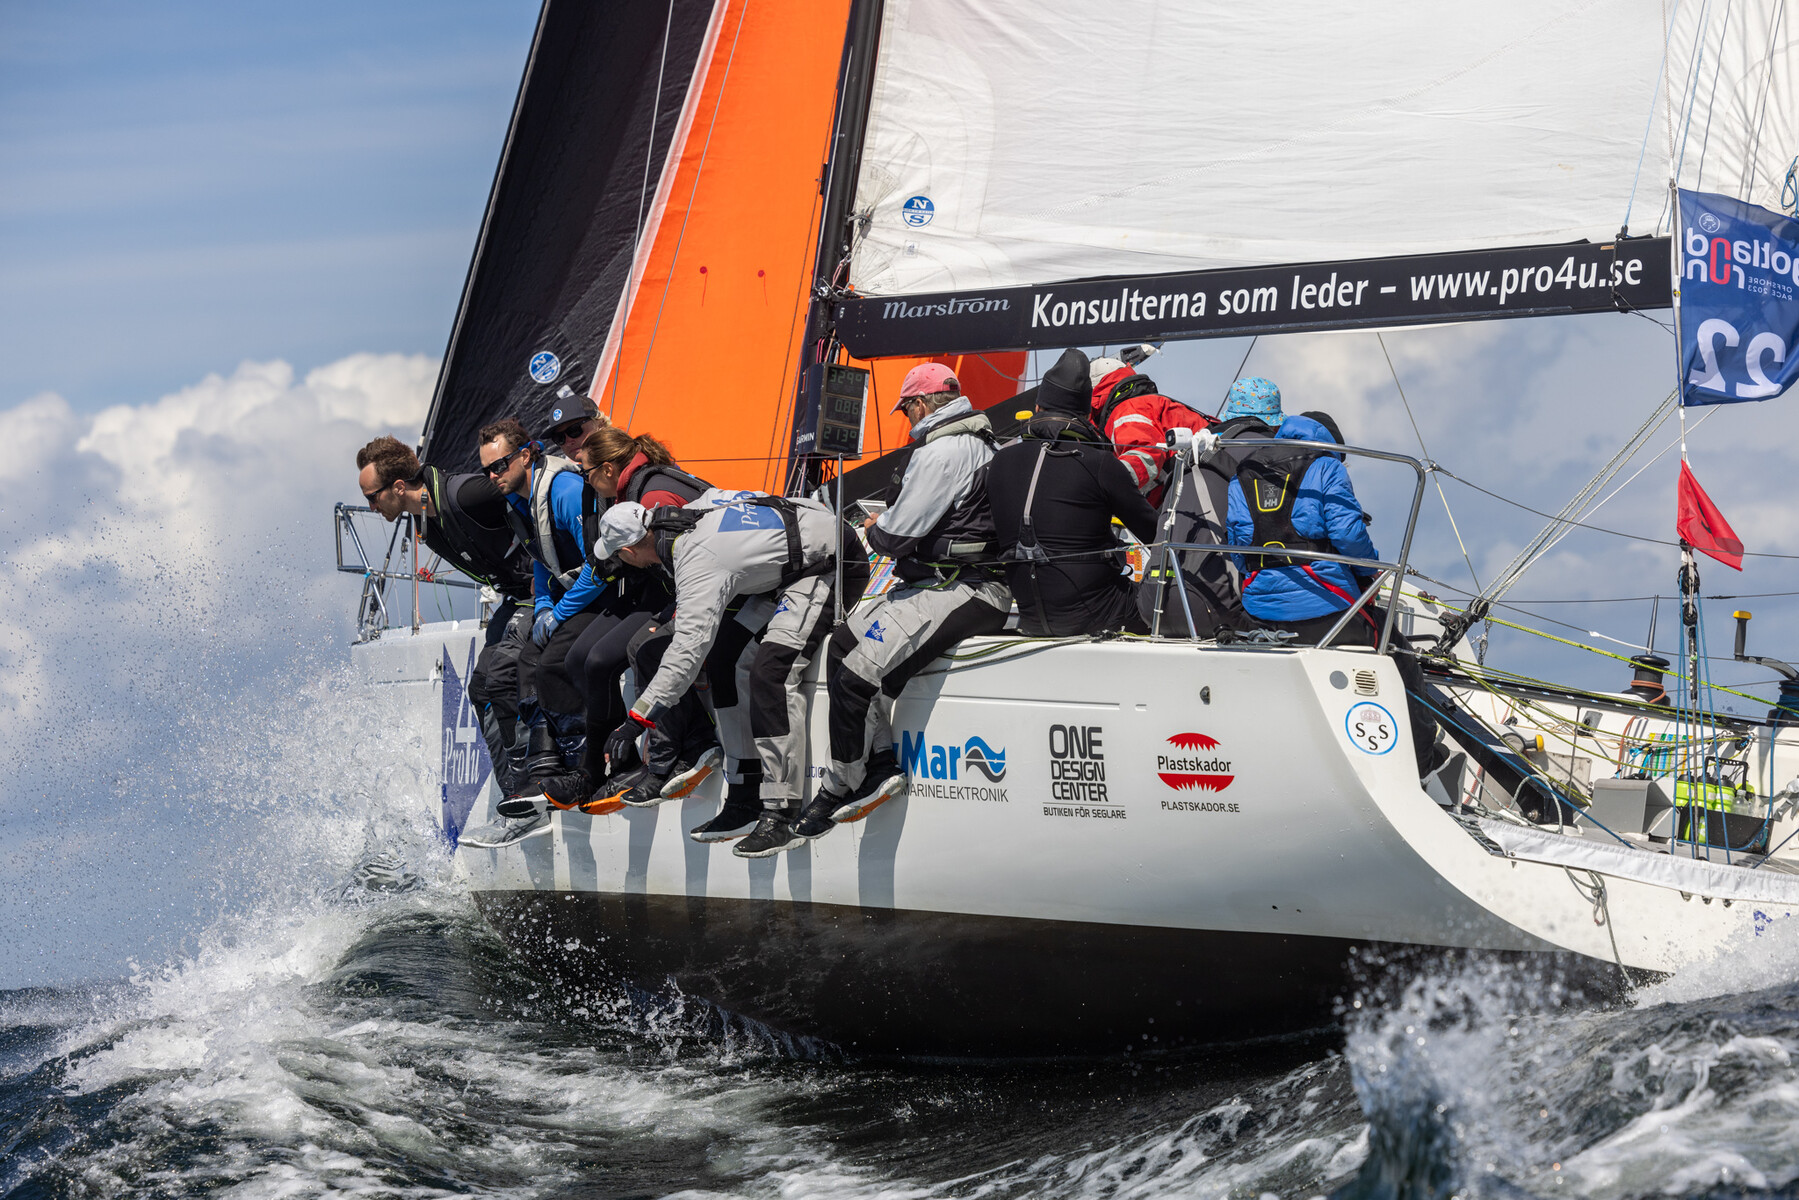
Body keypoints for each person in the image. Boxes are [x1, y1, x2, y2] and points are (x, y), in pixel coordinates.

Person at [793, 364, 1011, 841]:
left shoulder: (942, 451)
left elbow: (895, 537)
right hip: (945, 583)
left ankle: (841, 785)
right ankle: (878, 763)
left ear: (920, 404)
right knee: (843, 643)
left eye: (907, 408)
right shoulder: (979, 440)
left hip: (965, 588)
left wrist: (873, 527)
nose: (907, 417)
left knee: (855, 676)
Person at [589, 489, 869, 857]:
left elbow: (687, 650)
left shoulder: (697, 562)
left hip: (833, 562)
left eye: (618, 558)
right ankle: (744, 794)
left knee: (771, 672)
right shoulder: (688, 512)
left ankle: (780, 812)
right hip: (792, 564)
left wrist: (636, 720)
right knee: (723, 660)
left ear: (628, 552)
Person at [1225, 412, 1438, 774]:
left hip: (1261, 613)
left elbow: (1238, 545)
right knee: (1399, 653)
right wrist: (1369, 572)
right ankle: (1421, 762)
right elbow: (1347, 534)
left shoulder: (1243, 471)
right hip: (1328, 609)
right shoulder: (1326, 465)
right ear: (1333, 444)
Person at [354, 436, 535, 792]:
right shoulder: (423, 519)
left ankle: (536, 781)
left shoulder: (466, 494)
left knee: (501, 676)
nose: (371, 507)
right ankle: (517, 794)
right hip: (514, 597)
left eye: (372, 497)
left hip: (544, 590)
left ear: (399, 487)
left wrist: (548, 570)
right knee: (481, 688)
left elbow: (533, 490)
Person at [564, 428, 726, 811]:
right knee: (609, 651)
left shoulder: (652, 496)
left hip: (719, 586)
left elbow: (700, 561)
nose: (586, 483)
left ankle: (676, 753)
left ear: (607, 469)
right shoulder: (636, 488)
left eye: (586, 474)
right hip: (699, 584)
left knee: (648, 647)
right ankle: (676, 749)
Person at [477, 417, 611, 831]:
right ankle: (542, 767)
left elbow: (600, 563)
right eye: (486, 471)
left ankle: (578, 764)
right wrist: (542, 608)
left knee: (550, 662)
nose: (493, 476)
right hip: (570, 597)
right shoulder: (520, 501)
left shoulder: (564, 490)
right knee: (523, 661)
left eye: (499, 465)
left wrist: (561, 611)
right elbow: (541, 559)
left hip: (605, 593)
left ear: (525, 455)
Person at [989, 347, 1159, 636]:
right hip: (1099, 614)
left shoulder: (1000, 461)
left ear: (1038, 408)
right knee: (1163, 601)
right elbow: (1155, 534)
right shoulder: (1100, 463)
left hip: (1029, 614)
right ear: (1086, 414)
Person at [1086, 356, 1214, 507]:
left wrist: (1101, 489)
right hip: (1203, 482)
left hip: (1195, 493)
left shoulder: (1127, 409)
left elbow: (1144, 455)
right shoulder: (1147, 404)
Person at [540, 391, 610, 467]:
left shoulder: (619, 463)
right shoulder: (575, 474)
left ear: (600, 423)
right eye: (559, 438)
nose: (568, 442)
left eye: (574, 430)